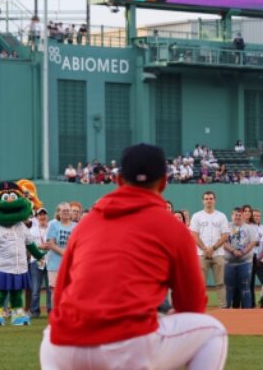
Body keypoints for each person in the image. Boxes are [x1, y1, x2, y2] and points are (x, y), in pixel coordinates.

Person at [40, 143, 227, 370]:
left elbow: (60, 294)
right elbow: (192, 305)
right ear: (164, 182)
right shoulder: (172, 227)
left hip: (60, 346)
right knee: (213, 332)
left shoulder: (86, 223)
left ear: (118, 181)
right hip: (126, 345)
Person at [190, 191, 230, 309]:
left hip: (218, 253)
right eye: (206, 198)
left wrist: (213, 248)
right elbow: (194, 234)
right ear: (203, 201)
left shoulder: (221, 216)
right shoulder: (197, 216)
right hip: (201, 253)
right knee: (201, 284)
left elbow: (225, 235)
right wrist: (204, 248)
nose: (209, 200)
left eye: (211, 198)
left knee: (220, 283)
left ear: (215, 200)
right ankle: (200, 306)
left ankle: (223, 307)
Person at [223, 209, 257, 309]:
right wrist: (233, 250)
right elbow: (223, 241)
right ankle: (226, 309)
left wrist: (242, 252)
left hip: (245, 262)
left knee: (245, 287)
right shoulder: (226, 227)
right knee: (229, 287)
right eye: (235, 215)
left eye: (239, 215)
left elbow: (253, 242)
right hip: (229, 262)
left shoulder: (249, 228)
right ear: (231, 216)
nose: (237, 217)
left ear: (243, 216)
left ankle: (247, 310)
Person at [46, 202, 76, 309]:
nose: (66, 213)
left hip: (71, 264)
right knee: (55, 290)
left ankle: (68, 314)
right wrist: (63, 252)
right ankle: (55, 315)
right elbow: (50, 243)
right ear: (58, 213)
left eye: (68, 210)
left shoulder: (76, 226)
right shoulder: (53, 225)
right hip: (55, 264)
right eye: (63, 211)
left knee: (70, 290)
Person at [30, 208, 51, 318]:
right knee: (35, 289)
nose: (42, 217)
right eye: (40, 215)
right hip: (36, 260)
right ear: (37, 217)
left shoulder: (51, 228)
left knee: (50, 288)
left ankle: (50, 310)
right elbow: (29, 244)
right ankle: (35, 311)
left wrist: (48, 245)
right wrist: (39, 246)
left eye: (44, 214)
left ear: (47, 216)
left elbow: (54, 241)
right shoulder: (32, 230)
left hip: (49, 260)